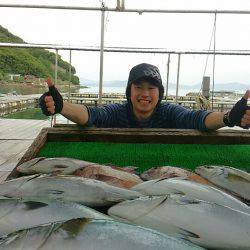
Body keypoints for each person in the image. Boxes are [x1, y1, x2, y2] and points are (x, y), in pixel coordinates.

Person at [39, 63, 250, 131]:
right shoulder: (117, 111)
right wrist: (61, 106)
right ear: (129, 91)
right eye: (138, 86)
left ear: (160, 93)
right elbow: (91, 115)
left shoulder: (169, 112)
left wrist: (228, 118)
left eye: (152, 88)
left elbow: (198, 118)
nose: (145, 94)